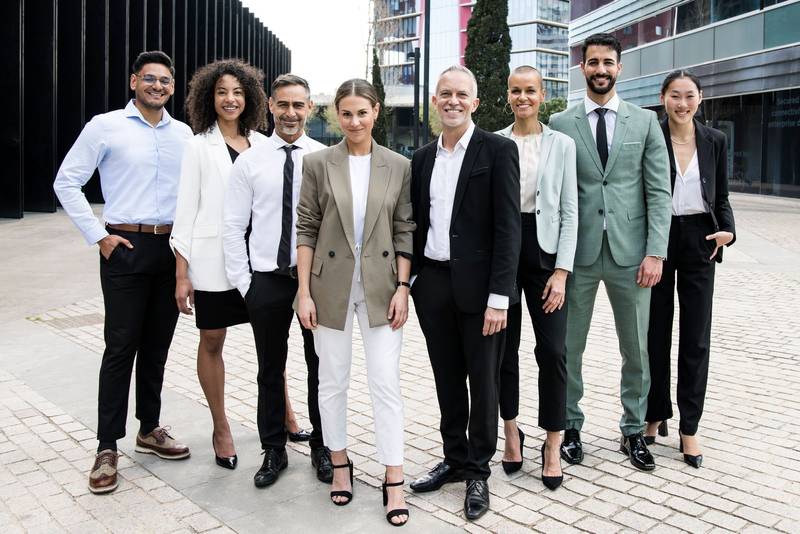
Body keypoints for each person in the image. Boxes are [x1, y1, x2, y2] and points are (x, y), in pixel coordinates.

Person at [53, 51, 193, 494]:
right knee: (120, 347)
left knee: (157, 345)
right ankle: (106, 446)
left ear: (173, 87)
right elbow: (66, 181)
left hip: (170, 249)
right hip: (124, 247)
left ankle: (149, 429)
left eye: (165, 81)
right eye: (149, 79)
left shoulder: (185, 134)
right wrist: (99, 236)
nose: (157, 86)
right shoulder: (104, 126)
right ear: (134, 81)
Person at [549, 33, 671, 472]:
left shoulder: (645, 123)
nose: (601, 69)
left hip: (633, 255)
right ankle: (569, 427)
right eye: (593, 62)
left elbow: (659, 191)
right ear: (582, 68)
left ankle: (633, 430)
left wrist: (656, 251)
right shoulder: (561, 124)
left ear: (620, 68)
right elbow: (553, 191)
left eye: (608, 62)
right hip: (576, 255)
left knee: (636, 349)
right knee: (568, 347)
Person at [295, 78, 414, 526]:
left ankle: (394, 476)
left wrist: (404, 287)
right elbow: (305, 228)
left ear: (376, 112)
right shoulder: (318, 163)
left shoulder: (398, 165)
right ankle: (340, 463)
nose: (354, 120)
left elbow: (405, 229)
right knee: (333, 380)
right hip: (330, 287)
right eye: (346, 113)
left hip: (383, 288)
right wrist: (303, 291)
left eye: (362, 112)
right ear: (335, 116)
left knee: (385, 381)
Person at [408, 65, 521, 521]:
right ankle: (454, 459)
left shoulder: (498, 150)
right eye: (444, 94)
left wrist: (501, 297)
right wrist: (414, 279)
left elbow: (509, 230)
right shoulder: (421, 158)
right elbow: (415, 221)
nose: (452, 101)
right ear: (435, 101)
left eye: (461, 95)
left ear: (475, 103)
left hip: (482, 293)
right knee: (447, 378)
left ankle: (478, 471)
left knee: (484, 381)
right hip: (432, 285)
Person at [222, 73, 333, 489]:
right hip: (266, 281)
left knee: (321, 367)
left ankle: (324, 446)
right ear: (270, 105)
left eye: (298, 105)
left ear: (310, 109)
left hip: (314, 283)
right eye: (283, 105)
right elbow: (233, 226)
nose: (290, 113)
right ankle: (274, 449)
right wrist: (246, 285)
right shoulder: (250, 161)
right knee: (270, 369)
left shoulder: (324, 158)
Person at [171, 59, 269, 469]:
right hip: (212, 262)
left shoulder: (265, 144)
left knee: (271, 340)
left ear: (250, 98)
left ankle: (283, 413)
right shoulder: (197, 145)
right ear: (209, 97)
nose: (230, 99)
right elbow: (185, 210)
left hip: (259, 261)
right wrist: (181, 273)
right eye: (222, 92)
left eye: (238, 92)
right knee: (212, 340)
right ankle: (221, 426)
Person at [643, 70, 735, 468]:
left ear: (700, 99)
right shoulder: (651, 136)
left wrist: (727, 232)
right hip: (658, 239)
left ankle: (689, 427)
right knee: (654, 332)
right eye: (675, 96)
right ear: (663, 97)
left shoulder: (715, 140)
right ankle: (654, 413)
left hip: (701, 240)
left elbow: (723, 196)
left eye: (689, 96)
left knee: (696, 337)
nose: (682, 103)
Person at [494, 65, 578, 490]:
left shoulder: (561, 144)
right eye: (515, 91)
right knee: (504, 351)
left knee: (553, 351)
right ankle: (511, 433)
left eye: (530, 90)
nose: (522, 97)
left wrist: (562, 272)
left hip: (546, 254)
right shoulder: (495, 142)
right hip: (506, 253)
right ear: (507, 95)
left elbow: (569, 210)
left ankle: (552, 441)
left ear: (542, 95)